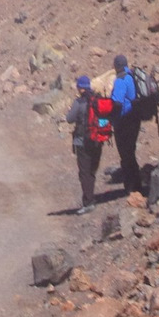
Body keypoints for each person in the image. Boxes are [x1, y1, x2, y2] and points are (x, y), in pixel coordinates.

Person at [64, 74, 104, 213]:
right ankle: (90, 197)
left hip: (82, 142)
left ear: (80, 88)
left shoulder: (79, 103)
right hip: (98, 140)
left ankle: (88, 202)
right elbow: (105, 119)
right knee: (92, 170)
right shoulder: (98, 100)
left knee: (84, 172)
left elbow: (69, 119)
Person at [110, 54, 143, 195]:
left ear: (116, 66)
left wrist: (110, 116)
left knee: (125, 154)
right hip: (135, 120)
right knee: (130, 153)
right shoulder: (131, 76)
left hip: (124, 121)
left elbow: (117, 102)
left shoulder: (121, 80)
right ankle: (137, 184)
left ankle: (131, 186)